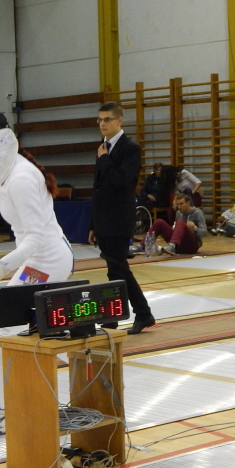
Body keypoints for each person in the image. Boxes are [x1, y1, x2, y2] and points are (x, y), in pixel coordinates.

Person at [0, 110, 73, 440]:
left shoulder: (21, 178)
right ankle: (58, 391)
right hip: (41, 258)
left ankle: (0, 412)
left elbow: (35, 238)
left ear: (1, 141)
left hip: (46, 260)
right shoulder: (10, 172)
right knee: (37, 330)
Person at [89, 101, 155, 335]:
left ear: (119, 120)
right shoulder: (103, 147)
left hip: (118, 218)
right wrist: (93, 223)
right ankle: (135, 315)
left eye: (107, 119)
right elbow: (98, 189)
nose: (102, 124)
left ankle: (121, 318)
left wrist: (104, 159)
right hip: (104, 219)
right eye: (100, 120)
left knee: (117, 270)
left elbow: (123, 182)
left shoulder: (130, 148)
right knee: (116, 269)